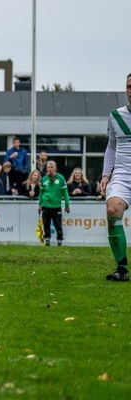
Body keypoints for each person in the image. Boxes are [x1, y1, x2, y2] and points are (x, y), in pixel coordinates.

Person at [100, 73, 131, 281]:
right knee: (112, 210)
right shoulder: (116, 115)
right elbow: (111, 147)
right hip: (122, 174)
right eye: (129, 86)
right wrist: (105, 175)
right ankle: (122, 269)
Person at [38, 161, 70, 246]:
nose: (50, 169)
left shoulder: (61, 178)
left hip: (56, 206)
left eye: (52, 167)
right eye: (48, 167)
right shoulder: (44, 179)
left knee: (58, 225)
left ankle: (59, 240)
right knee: (46, 224)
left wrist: (67, 205)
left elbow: (65, 193)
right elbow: (41, 193)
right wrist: (40, 204)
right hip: (45, 205)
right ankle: (47, 240)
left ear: (55, 168)